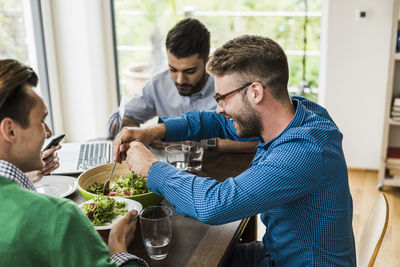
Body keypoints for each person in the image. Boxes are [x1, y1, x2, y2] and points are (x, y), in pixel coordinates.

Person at [113, 35, 356, 266]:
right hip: (278, 253)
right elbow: (216, 122)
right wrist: (155, 132)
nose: (219, 108)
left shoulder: (303, 152)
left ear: (255, 92)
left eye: (222, 98)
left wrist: (151, 168)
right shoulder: (297, 111)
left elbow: (215, 204)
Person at [0, 59, 147, 267]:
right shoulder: (59, 217)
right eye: (41, 121)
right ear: (10, 130)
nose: (48, 133)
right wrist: (117, 248)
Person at [108, 18, 257, 152]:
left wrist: (197, 143)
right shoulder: (158, 84)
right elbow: (119, 118)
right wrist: (141, 135)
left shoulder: (228, 88)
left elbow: (256, 140)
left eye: (190, 71)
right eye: (173, 69)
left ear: (207, 61)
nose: (180, 80)